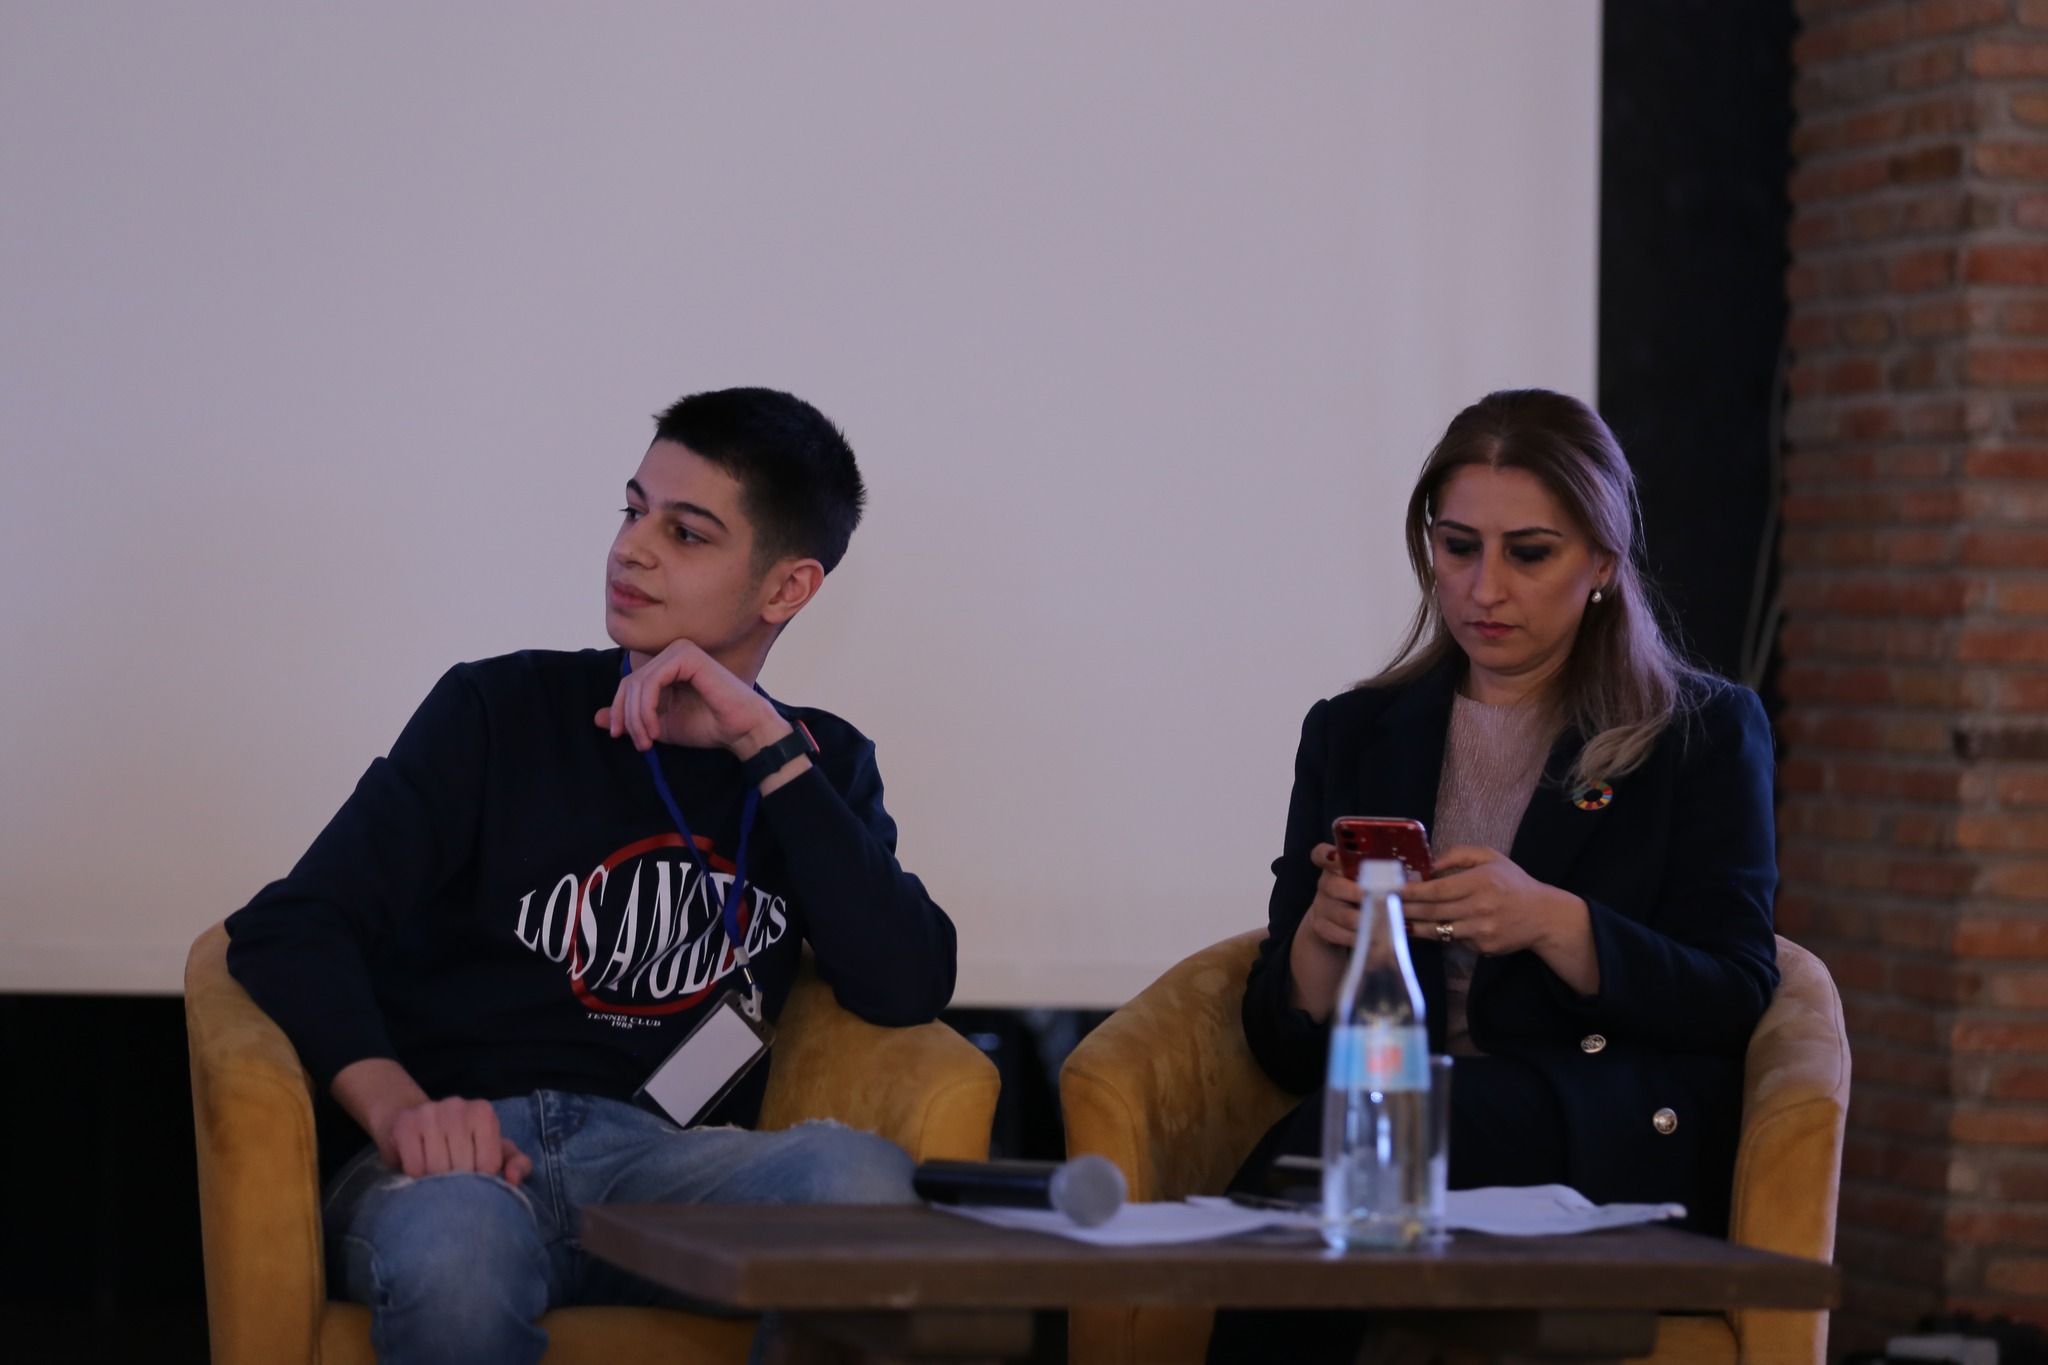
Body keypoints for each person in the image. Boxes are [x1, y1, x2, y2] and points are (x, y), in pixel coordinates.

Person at [225, 386, 957, 1365]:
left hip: (673, 1169)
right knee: (457, 1251)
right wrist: (402, 1110)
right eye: (631, 510)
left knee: (865, 1183)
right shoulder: (500, 708)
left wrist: (766, 747)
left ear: (786, 589)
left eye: (684, 532)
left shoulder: (818, 764)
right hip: (460, 1168)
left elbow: (905, 982)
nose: (629, 550)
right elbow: (293, 925)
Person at [1208, 389, 1778, 1365]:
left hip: (1598, 1128)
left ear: (1602, 564)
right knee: (1349, 1150)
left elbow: (1733, 992)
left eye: (1528, 553)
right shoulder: (1351, 732)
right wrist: (1319, 947)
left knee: (1361, 1151)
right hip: (1396, 1125)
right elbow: (1280, 1047)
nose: (1483, 588)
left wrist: (1552, 923)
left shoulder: (1698, 733)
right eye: (1458, 546)